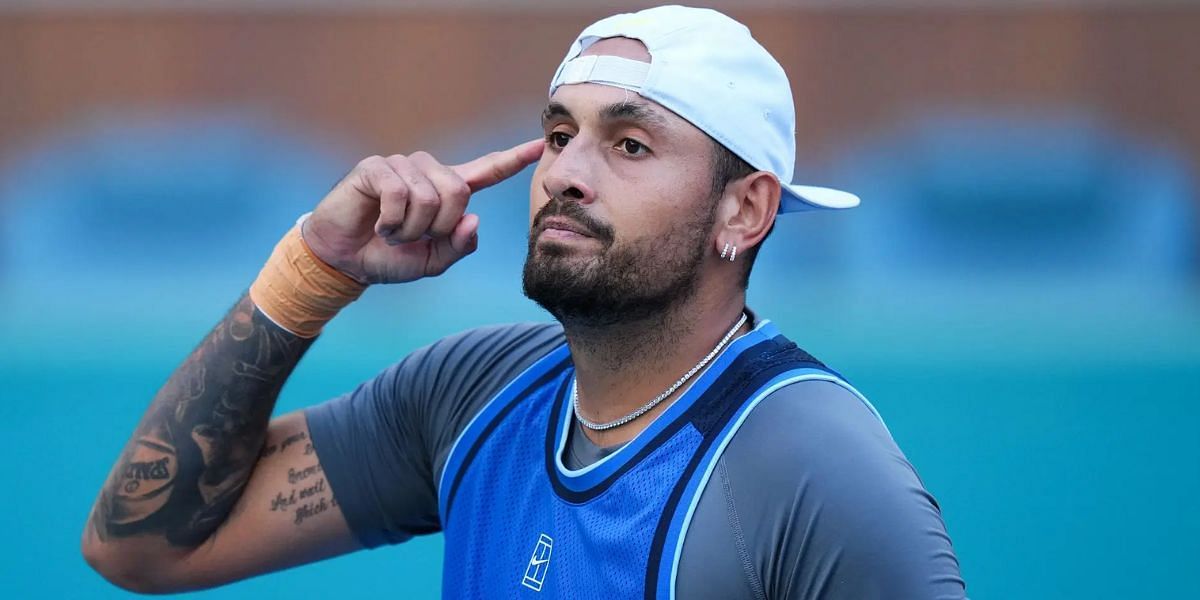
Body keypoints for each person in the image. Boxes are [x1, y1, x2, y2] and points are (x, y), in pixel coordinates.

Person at [82, 6, 966, 599]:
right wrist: (311, 272)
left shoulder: (815, 467)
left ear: (745, 209)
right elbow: (145, 543)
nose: (565, 175)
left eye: (628, 144)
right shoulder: (470, 392)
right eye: (558, 134)